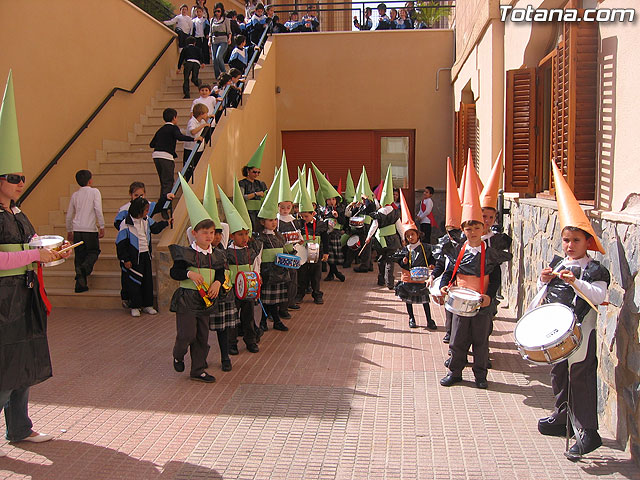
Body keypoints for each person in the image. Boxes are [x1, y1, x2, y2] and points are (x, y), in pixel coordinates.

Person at [0, 73, 70, 453]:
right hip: (2, 301)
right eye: (13, 177)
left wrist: (54, 253)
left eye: (22, 177)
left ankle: (20, 428)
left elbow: (32, 244)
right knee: (4, 373)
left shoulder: (19, 211)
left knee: (23, 367)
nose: (20, 182)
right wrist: (34, 254)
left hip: (23, 299)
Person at [535, 161, 610, 460]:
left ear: (588, 242)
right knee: (559, 374)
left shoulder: (594, 269)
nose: (569, 245)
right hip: (557, 333)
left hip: (582, 331)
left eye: (576, 240)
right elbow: (544, 297)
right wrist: (544, 281)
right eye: (566, 240)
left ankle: (589, 433)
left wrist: (577, 281)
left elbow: (598, 297)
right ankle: (562, 417)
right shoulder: (558, 263)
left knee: (580, 377)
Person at [439, 165, 511, 390]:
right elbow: (450, 273)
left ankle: (481, 375)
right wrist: (444, 286)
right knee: (458, 339)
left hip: (481, 303)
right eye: (468, 229)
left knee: (481, 342)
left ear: (484, 228)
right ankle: (455, 372)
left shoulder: (490, 254)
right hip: (460, 304)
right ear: (463, 230)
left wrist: (489, 296)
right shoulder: (458, 251)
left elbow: (496, 278)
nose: (472, 232)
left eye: (477, 228)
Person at [170, 175, 227, 382]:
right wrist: (189, 273)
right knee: (187, 334)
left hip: (206, 300)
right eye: (204, 233)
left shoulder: (218, 254)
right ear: (194, 233)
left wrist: (218, 282)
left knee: (202, 336)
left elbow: (221, 271)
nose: (209, 236)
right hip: (187, 299)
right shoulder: (185, 253)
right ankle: (178, 354)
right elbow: (174, 273)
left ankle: (198, 369)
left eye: (212, 232)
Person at [218, 186, 262, 355]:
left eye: (246, 234)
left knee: (249, 316)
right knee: (232, 317)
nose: (244, 238)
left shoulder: (251, 249)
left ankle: (250, 340)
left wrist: (257, 278)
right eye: (240, 234)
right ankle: (231, 343)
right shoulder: (227, 252)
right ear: (231, 236)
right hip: (232, 289)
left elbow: (256, 263)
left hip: (249, 289)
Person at [116, 197, 169, 317]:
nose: (147, 212)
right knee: (134, 282)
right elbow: (121, 244)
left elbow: (155, 228)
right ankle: (135, 306)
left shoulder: (146, 220)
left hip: (146, 255)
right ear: (138, 210)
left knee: (147, 281)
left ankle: (148, 305)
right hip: (134, 257)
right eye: (145, 210)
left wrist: (166, 223)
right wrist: (126, 259)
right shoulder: (126, 224)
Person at [150, 108, 203, 219]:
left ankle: (162, 204)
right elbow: (180, 137)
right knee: (168, 182)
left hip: (156, 156)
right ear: (174, 118)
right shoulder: (173, 128)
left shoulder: (160, 130)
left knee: (164, 182)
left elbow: (152, 144)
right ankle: (164, 207)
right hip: (166, 157)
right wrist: (194, 139)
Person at [393, 189, 436, 329]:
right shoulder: (405, 250)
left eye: (413, 235)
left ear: (418, 235)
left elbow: (432, 258)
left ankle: (429, 320)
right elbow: (399, 261)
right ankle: (411, 318)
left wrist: (432, 265)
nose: (411, 237)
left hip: (421, 278)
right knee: (408, 300)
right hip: (408, 278)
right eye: (408, 236)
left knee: (425, 300)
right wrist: (402, 262)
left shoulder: (426, 247)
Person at [255, 169, 291, 332]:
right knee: (266, 298)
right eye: (270, 221)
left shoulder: (279, 236)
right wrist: (258, 273)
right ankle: (265, 320)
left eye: (274, 220)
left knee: (276, 299)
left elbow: (285, 249)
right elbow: (257, 257)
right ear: (262, 222)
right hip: (267, 273)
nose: (274, 223)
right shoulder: (259, 239)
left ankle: (275, 320)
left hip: (280, 271)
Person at [66, 169, 105, 293]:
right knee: (93, 251)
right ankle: (85, 268)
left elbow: (69, 215)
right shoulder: (95, 192)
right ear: (90, 180)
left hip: (77, 230)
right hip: (90, 229)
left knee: (79, 256)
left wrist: (69, 230)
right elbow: (98, 209)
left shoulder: (75, 195)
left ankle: (80, 285)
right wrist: (102, 225)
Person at [365, 165, 401, 289]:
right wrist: (403, 238)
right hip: (392, 239)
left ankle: (381, 279)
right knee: (390, 261)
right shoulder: (396, 212)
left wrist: (368, 237)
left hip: (380, 240)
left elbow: (374, 225)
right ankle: (389, 282)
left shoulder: (379, 212)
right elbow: (399, 227)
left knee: (381, 259)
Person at [295, 177, 329, 305]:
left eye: (306, 216)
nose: (304, 218)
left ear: (313, 213)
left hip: (317, 253)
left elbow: (325, 238)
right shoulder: (298, 224)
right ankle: (300, 293)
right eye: (302, 216)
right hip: (302, 253)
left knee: (316, 275)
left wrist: (326, 252)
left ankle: (317, 294)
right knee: (302, 274)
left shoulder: (320, 225)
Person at [276, 156, 302, 319]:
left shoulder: (294, 220)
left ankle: (290, 301)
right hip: (281, 254)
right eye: (283, 207)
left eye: (288, 207)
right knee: (282, 280)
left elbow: (298, 233)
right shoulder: (276, 220)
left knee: (293, 278)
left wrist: (300, 239)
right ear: (278, 206)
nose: (286, 209)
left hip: (293, 252)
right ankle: (280, 307)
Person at [238, 135, 268, 231]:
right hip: (248, 212)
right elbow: (242, 197)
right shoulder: (242, 183)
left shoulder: (260, 183)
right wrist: (256, 194)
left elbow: (266, 196)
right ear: (248, 171)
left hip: (259, 212)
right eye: (254, 172)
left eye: (258, 172)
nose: (256, 174)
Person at [183, 103, 212, 182]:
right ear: (201, 114)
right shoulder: (192, 121)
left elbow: (206, 120)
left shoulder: (201, 121)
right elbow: (193, 131)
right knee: (190, 168)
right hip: (190, 148)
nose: (207, 115)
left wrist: (208, 118)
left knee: (197, 167)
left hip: (199, 149)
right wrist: (203, 126)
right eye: (205, 113)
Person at [209, 2, 231, 79]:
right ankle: (218, 77)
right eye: (215, 11)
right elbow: (210, 32)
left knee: (219, 56)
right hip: (214, 40)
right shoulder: (212, 20)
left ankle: (224, 74)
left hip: (223, 40)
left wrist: (229, 39)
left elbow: (229, 31)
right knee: (214, 59)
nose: (217, 13)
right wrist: (209, 40)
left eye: (219, 11)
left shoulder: (226, 20)